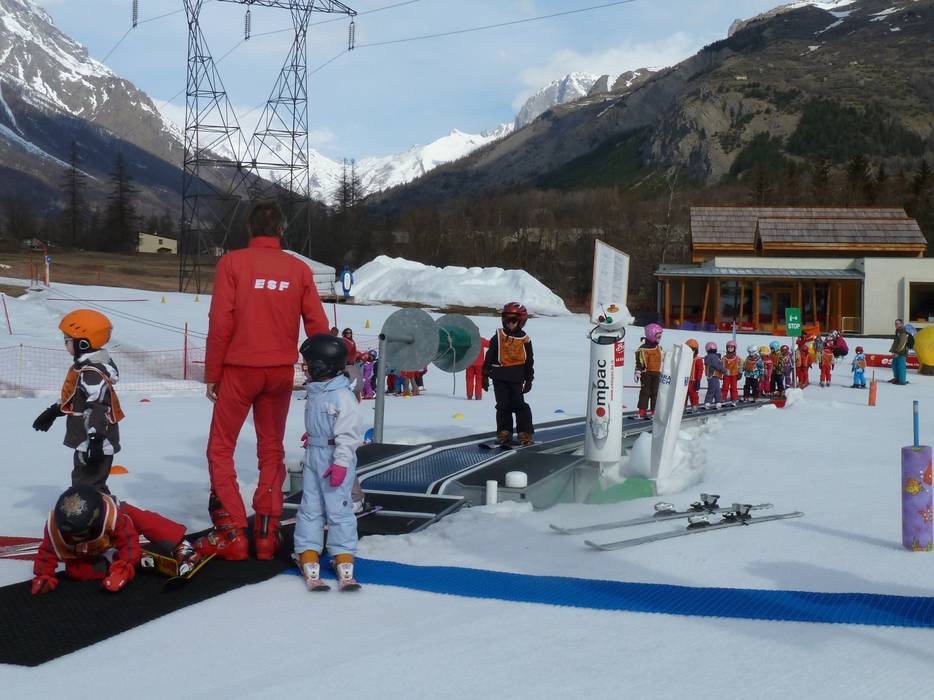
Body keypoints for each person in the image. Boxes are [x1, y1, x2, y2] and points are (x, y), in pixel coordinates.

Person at [200, 200, 330, 562]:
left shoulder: (233, 263)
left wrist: (213, 374)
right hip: (279, 372)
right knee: (271, 448)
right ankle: (267, 532)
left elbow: (220, 322)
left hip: (239, 370)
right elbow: (318, 325)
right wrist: (323, 372)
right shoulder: (298, 269)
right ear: (281, 230)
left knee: (220, 448)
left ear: (250, 229)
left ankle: (233, 531)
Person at [31, 485, 200, 595]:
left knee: (144, 520)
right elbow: (47, 552)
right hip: (93, 550)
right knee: (75, 572)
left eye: (79, 534)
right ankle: (114, 560)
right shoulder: (56, 528)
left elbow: (128, 540)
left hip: (118, 530)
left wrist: (124, 569)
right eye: (71, 535)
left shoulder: (114, 517)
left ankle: (181, 546)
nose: (74, 538)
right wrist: (44, 575)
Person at [294, 334, 362, 592]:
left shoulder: (342, 396)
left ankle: (343, 557)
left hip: (334, 459)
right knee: (310, 506)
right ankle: (308, 552)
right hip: (315, 453)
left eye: (308, 363)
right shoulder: (317, 392)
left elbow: (348, 435)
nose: (305, 367)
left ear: (320, 365)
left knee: (338, 508)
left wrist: (342, 463)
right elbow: (324, 421)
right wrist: (314, 435)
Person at [32, 310, 124, 494]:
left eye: (67, 340)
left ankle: (91, 510)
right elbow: (77, 397)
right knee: (88, 482)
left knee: (86, 485)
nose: (65, 344)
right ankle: (97, 505)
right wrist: (54, 412)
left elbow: (98, 406)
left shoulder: (91, 373)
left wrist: (96, 440)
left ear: (83, 343)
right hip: (87, 439)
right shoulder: (85, 368)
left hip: (94, 441)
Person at [482, 302, 535, 446]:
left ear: (521, 321)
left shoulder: (524, 340)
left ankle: (525, 432)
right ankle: (504, 432)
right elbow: (490, 355)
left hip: (516, 378)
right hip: (499, 377)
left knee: (519, 405)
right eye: (507, 320)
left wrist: (529, 379)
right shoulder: (498, 337)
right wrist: (484, 375)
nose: (510, 324)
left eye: (514, 320)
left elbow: (529, 360)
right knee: (502, 405)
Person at [634, 324, 664, 418]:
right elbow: (639, 362)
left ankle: (654, 411)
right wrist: (638, 371)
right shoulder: (643, 349)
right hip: (646, 374)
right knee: (645, 392)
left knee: (655, 393)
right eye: (658, 337)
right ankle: (642, 411)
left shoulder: (659, 348)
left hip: (656, 373)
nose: (660, 339)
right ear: (651, 336)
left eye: (660, 337)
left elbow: (662, 357)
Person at [703, 341, 726, 408]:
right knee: (713, 389)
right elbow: (717, 366)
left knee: (716, 389)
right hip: (713, 375)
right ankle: (708, 402)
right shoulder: (713, 357)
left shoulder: (708, 357)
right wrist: (725, 370)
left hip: (711, 375)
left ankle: (718, 401)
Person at [889, 319, 910, 385]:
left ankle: (902, 381)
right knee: (894, 365)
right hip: (896, 351)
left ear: (901, 324)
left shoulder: (903, 331)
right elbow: (896, 342)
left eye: (898, 323)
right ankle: (897, 378)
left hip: (901, 352)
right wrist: (893, 349)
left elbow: (902, 343)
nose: (896, 325)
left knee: (901, 366)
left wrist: (897, 352)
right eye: (895, 323)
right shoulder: (898, 330)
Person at [685, 339, 704, 408]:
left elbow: (700, 370)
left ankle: (694, 406)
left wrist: (698, 380)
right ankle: (682, 406)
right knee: (683, 394)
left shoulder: (698, 360)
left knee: (693, 394)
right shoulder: (684, 358)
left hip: (693, 381)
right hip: (684, 380)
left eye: (693, 350)